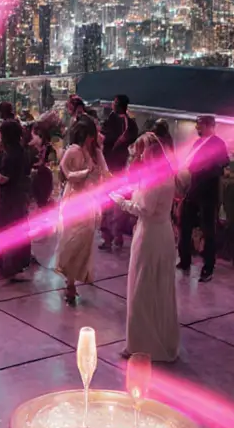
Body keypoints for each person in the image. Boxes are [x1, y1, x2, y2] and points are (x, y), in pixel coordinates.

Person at [109, 133, 180, 362]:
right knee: (156, 287)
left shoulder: (155, 178)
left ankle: (140, 344)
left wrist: (119, 201)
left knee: (142, 287)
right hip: (161, 232)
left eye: (141, 151)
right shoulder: (163, 174)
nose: (137, 155)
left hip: (150, 235)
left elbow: (144, 209)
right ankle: (154, 338)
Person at [57, 119, 108, 305]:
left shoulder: (96, 153)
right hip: (73, 200)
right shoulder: (72, 151)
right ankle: (70, 282)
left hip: (89, 201)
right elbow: (68, 174)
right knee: (72, 239)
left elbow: (105, 172)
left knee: (85, 239)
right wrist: (86, 172)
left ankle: (76, 276)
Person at [177, 115, 229, 283]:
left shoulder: (218, 144)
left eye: (199, 125)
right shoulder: (198, 143)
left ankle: (208, 267)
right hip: (194, 190)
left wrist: (205, 167)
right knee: (184, 224)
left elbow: (222, 164)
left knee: (208, 230)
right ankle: (184, 259)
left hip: (208, 193)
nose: (197, 129)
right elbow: (190, 162)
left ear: (208, 125)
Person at [0, 120, 31, 280]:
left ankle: (5, 268)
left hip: (8, 198)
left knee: (3, 229)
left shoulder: (9, 155)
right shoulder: (22, 151)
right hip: (20, 196)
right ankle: (18, 264)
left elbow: (4, 179)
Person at [100, 94, 139, 251]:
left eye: (114, 102)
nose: (112, 104)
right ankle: (115, 237)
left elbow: (108, 140)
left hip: (116, 170)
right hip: (119, 171)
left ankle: (112, 237)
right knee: (116, 205)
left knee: (111, 205)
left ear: (120, 105)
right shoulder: (129, 123)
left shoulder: (123, 123)